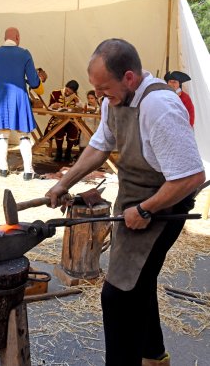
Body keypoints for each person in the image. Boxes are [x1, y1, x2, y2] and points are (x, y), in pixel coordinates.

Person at [46, 39, 205, 366]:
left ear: (129, 77)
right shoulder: (113, 101)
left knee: (119, 294)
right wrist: (64, 182)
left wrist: (147, 209)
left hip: (166, 203)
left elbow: (190, 177)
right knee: (139, 281)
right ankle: (154, 356)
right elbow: (99, 146)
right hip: (135, 200)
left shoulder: (161, 107)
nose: (101, 96)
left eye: (105, 88)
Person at [0, 27, 44, 179]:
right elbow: (34, 82)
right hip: (19, 95)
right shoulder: (24, 54)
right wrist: (37, 79)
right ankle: (28, 171)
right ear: (17, 37)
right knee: (24, 135)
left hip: (0, 96)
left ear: (5, 38)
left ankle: (3, 169)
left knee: (2, 134)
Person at [44, 80, 82, 162]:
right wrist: (54, 106)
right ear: (66, 86)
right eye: (67, 90)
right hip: (58, 118)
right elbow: (49, 108)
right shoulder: (55, 93)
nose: (68, 93)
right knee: (59, 129)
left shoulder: (75, 97)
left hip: (71, 119)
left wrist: (78, 102)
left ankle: (68, 152)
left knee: (74, 130)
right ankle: (59, 151)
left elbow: (79, 110)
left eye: (71, 92)